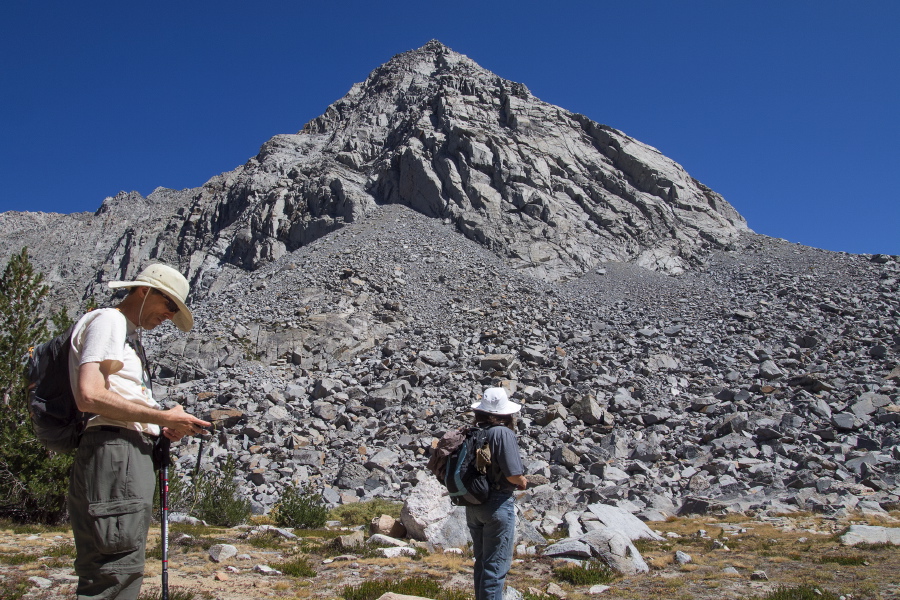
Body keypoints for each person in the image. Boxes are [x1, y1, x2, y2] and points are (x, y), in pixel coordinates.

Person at [67, 263, 211, 600]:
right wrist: (161, 416)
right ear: (144, 291)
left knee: (121, 563)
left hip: (124, 453)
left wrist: (162, 424)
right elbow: (89, 394)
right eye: (169, 305)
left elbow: (116, 397)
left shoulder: (128, 335)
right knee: (114, 568)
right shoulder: (110, 321)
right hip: (117, 452)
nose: (170, 316)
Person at [466, 387, 528, 600]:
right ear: (505, 413)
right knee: (496, 568)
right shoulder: (502, 432)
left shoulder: (474, 432)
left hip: (473, 504)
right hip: (497, 504)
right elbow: (513, 475)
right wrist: (523, 482)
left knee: (482, 564)